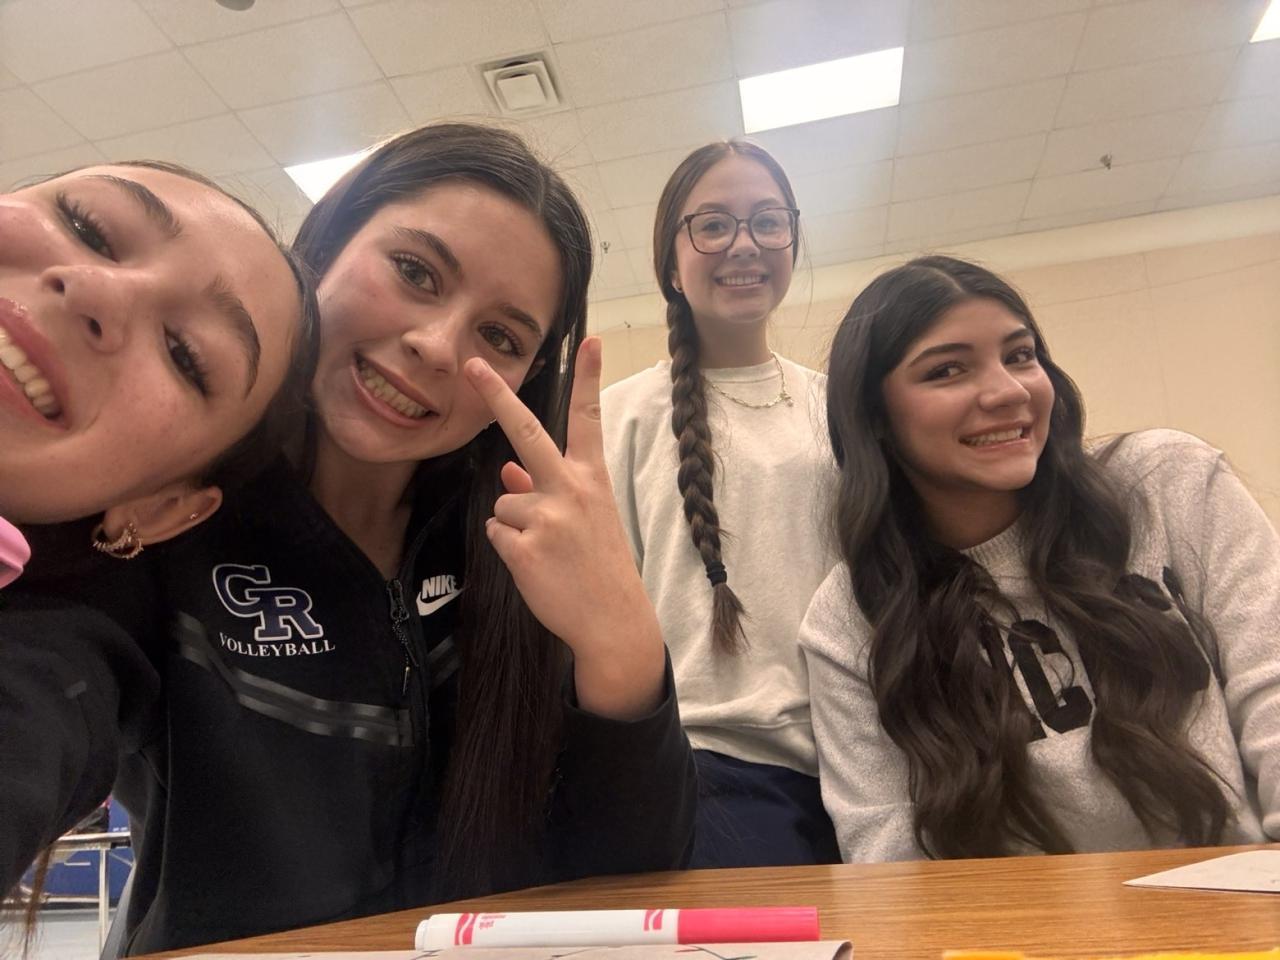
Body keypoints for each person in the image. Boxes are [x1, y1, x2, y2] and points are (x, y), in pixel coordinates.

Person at [1, 123, 696, 957]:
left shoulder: (519, 554)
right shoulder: (168, 520)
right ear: (322, 252)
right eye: (415, 271)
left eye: (501, 338)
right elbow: (40, 691)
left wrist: (621, 640)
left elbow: (637, 875)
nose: (436, 346)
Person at [801, 255, 1280, 862]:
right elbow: (887, 854)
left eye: (1020, 355)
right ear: (875, 418)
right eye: (947, 370)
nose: (1009, 391)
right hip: (1015, 920)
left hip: (1235, 900)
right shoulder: (850, 615)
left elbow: (1272, 685)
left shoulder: (1169, 483)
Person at [0, 158, 318, 950]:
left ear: (161, 509)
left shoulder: (47, 667)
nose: (99, 291)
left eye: (185, 354)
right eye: (88, 225)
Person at [601, 140, 838, 867]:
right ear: (671, 263)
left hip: (860, 757)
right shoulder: (621, 415)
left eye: (768, 221)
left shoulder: (840, 406)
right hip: (707, 771)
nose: (744, 244)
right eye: (712, 225)